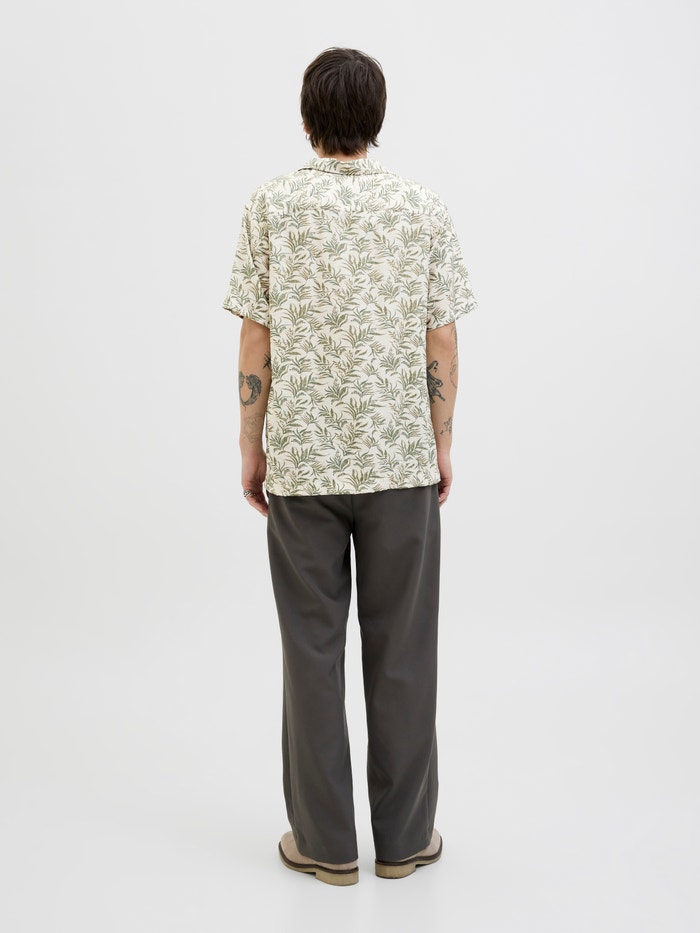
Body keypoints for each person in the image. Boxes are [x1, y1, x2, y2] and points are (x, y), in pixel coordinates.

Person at [222, 47, 478, 885]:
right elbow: (442, 338)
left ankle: (325, 843)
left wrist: (251, 441)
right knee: (403, 653)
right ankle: (405, 840)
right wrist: (440, 440)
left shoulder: (271, 205)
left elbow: (254, 337)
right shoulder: (420, 206)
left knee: (311, 650)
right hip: (399, 462)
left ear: (307, 119)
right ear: (378, 119)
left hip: (305, 465)